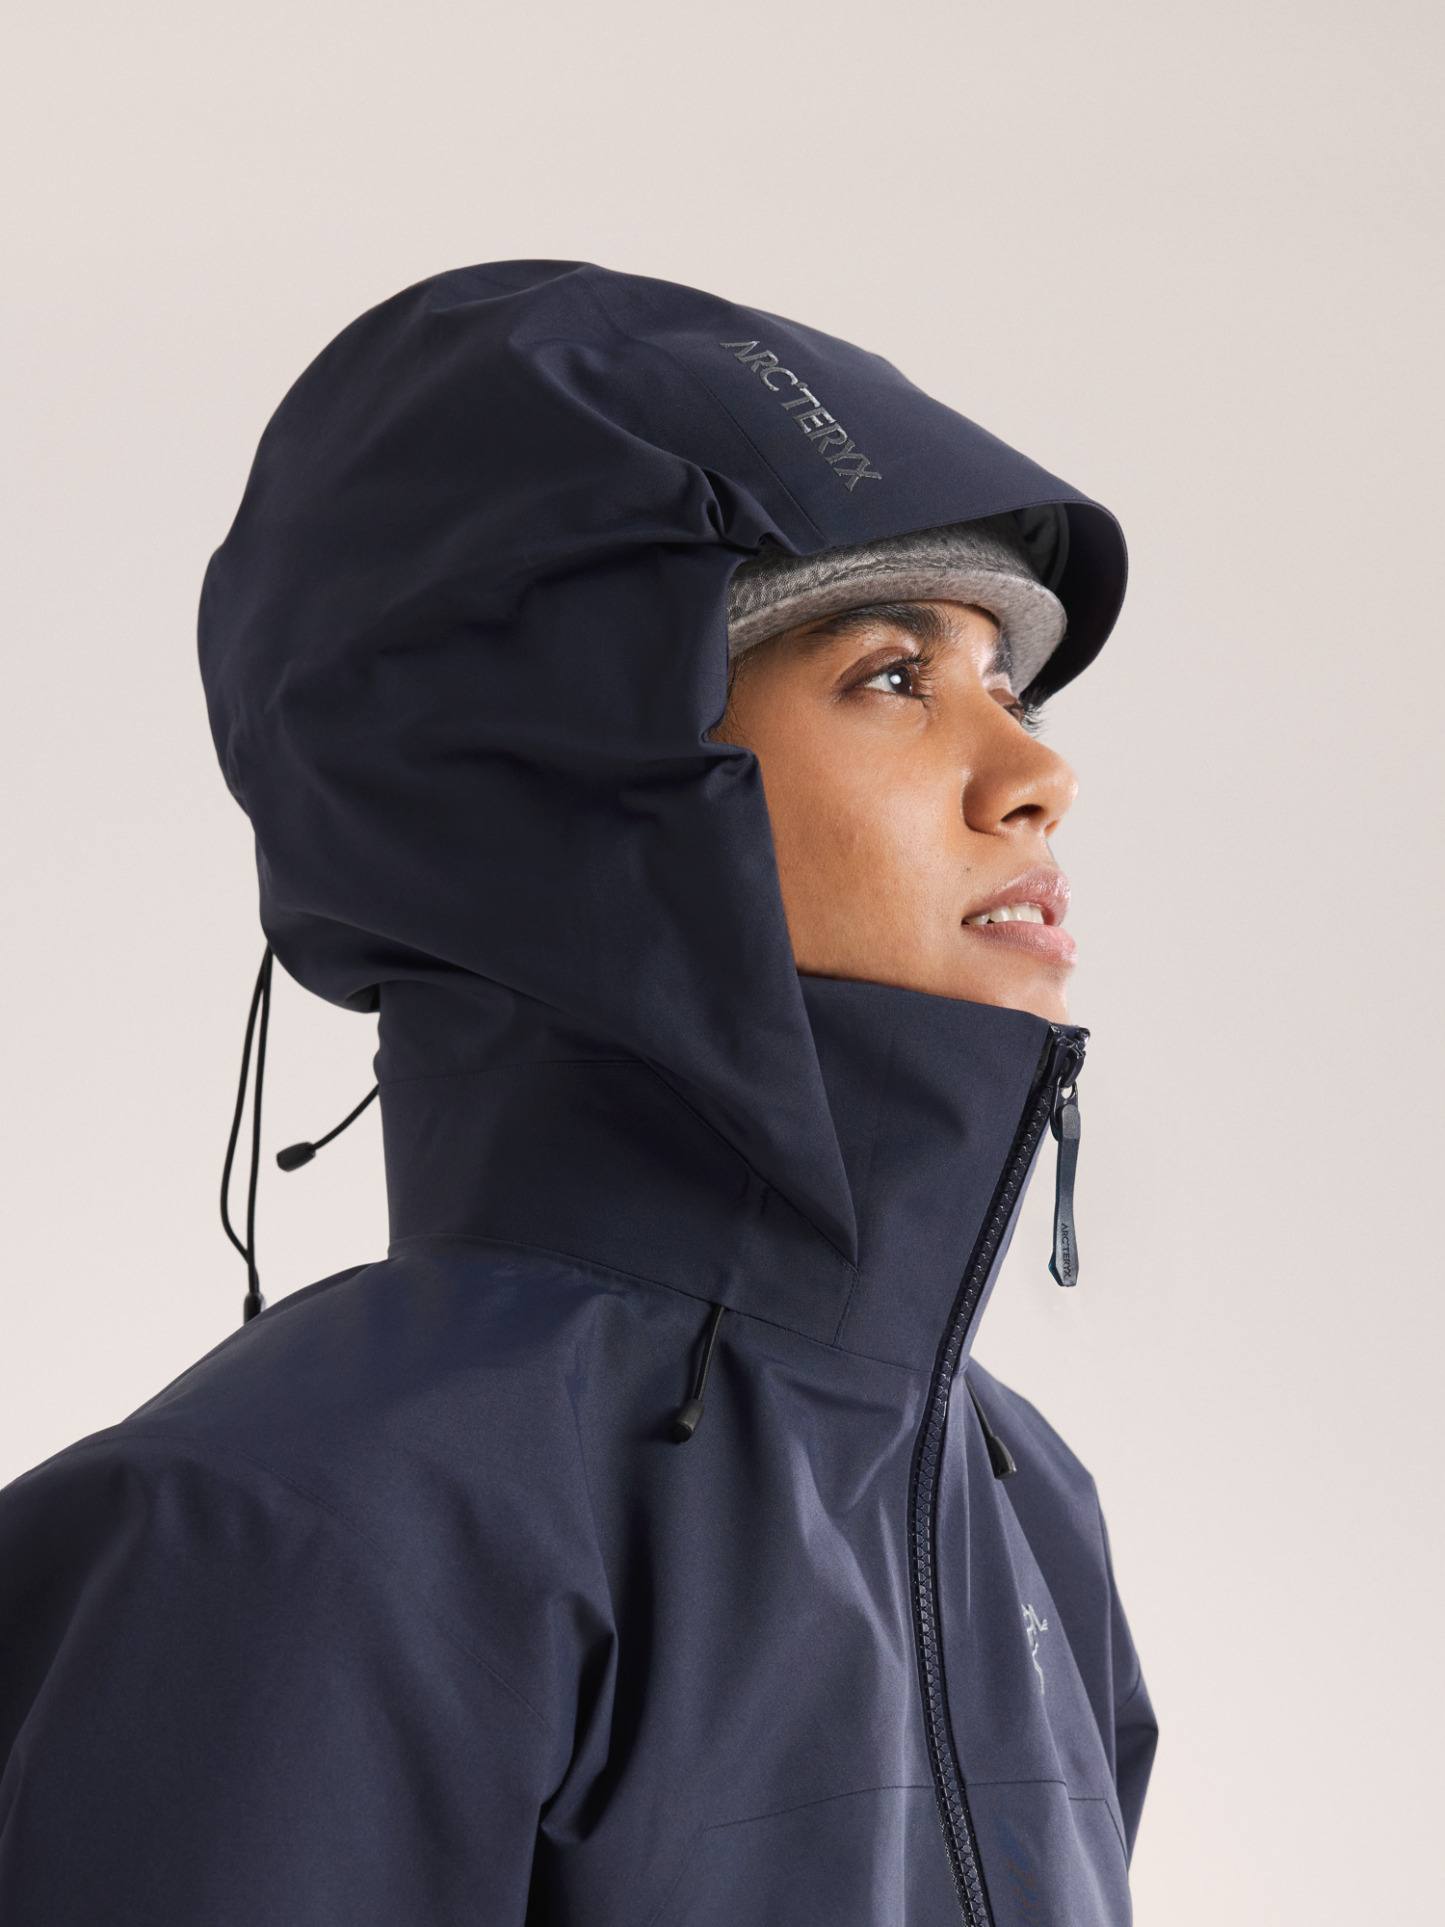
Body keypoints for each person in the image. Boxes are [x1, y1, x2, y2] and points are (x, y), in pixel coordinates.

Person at [0, 262, 1156, 1925]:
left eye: (1010, 684)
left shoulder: (1010, 1491)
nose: (1036, 775)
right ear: (591, 788)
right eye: (890, 677)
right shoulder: (300, 1522)